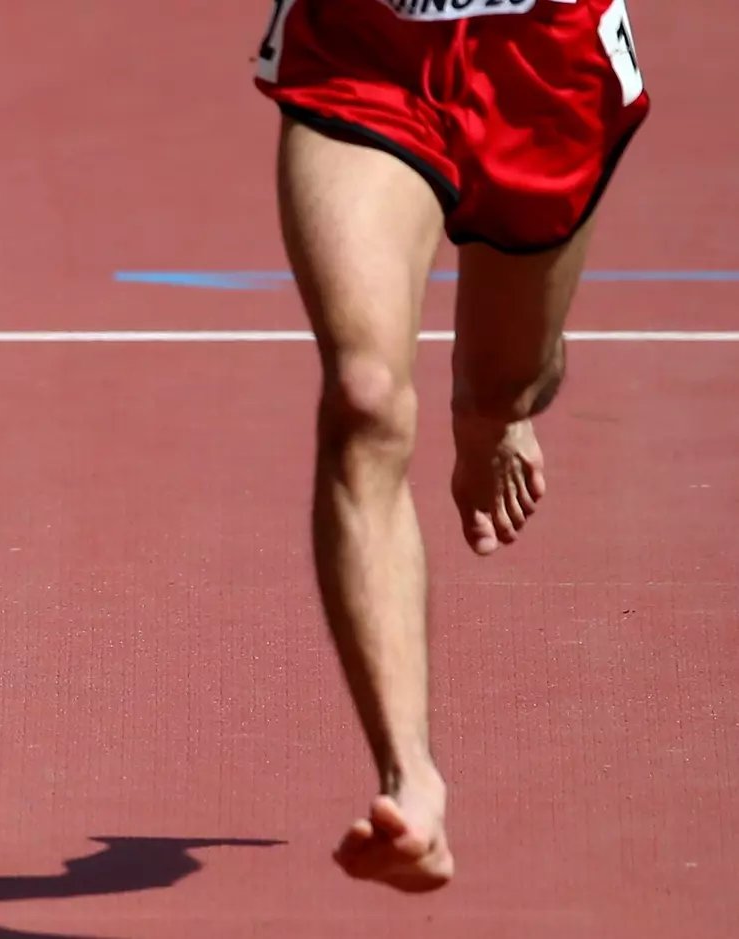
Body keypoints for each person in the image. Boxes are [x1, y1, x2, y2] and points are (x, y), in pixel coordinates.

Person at [253, 0, 649, 893]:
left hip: (545, 59)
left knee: (511, 376)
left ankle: (494, 415)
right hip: (364, 48)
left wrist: (497, 413)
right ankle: (410, 778)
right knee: (364, 396)